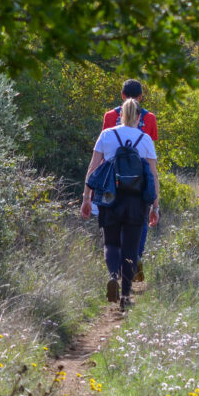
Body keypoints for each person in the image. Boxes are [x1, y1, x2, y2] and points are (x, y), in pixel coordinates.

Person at [81, 99, 160, 311]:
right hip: (137, 202)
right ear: (139, 118)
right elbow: (153, 176)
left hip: (109, 198)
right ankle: (125, 296)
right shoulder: (145, 139)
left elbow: (92, 168)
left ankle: (113, 276)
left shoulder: (107, 135)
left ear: (120, 115)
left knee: (111, 244)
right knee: (130, 248)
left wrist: (86, 197)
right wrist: (155, 207)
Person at [99, 79, 158, 281]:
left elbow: (103, 154)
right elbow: (149, 153)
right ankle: (136, 258)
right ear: (141, 97)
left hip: (112, 181)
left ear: (122, 96)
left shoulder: (109, 116)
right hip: (139, 181)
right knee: (140, 220)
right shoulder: (149, 118)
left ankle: (114, 272)